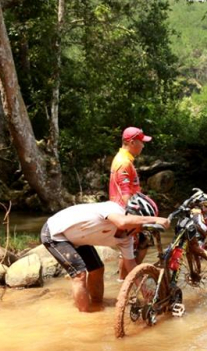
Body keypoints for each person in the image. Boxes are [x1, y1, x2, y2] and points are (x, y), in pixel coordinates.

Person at [41, 193, 169, 313]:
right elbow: (122, 222)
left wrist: (145, 292)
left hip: (78, 238)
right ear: (133, 217)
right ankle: (84, 317)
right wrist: (155, 219)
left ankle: (97, 305)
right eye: (141, 225)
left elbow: (131, 266)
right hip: (55, 233)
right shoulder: (113, 209)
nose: (141, 230)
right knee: (79, 275)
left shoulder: (127, 239)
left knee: (97, 269)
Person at [109, 126, 153, 269]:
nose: (143, 145)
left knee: (131, 248)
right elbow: (125, 192)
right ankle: (130, 279)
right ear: (132, 142)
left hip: (122, 210)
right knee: (140, 243)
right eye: (141, 141)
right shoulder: (124, 162)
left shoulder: (124, 159)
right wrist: (133, 216)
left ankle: (127, 279)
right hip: (125, 211)